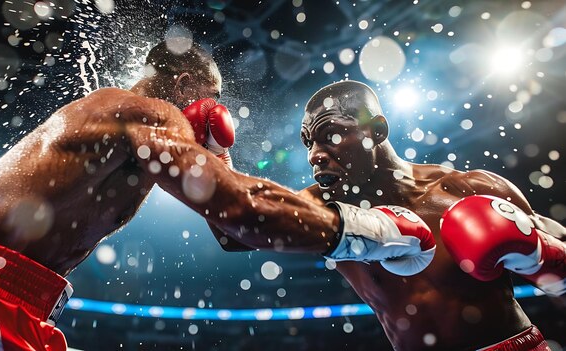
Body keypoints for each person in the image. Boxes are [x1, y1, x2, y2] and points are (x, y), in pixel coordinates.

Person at [141, 80, 566, 350]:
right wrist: (216, 156)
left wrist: (541, 253)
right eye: (308, 142)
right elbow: (235, 233)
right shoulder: (325, 208)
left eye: (330, 134)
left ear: (376, 131)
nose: (314, 154)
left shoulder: (468, 189)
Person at [0, 39, 235, 350]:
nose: (214, 110)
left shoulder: (149, 149)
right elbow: (245, 216)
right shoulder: (139, 113)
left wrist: (218, 156)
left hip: (19, 302)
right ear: (184, 85)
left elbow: (231, 234)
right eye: (211, 98)